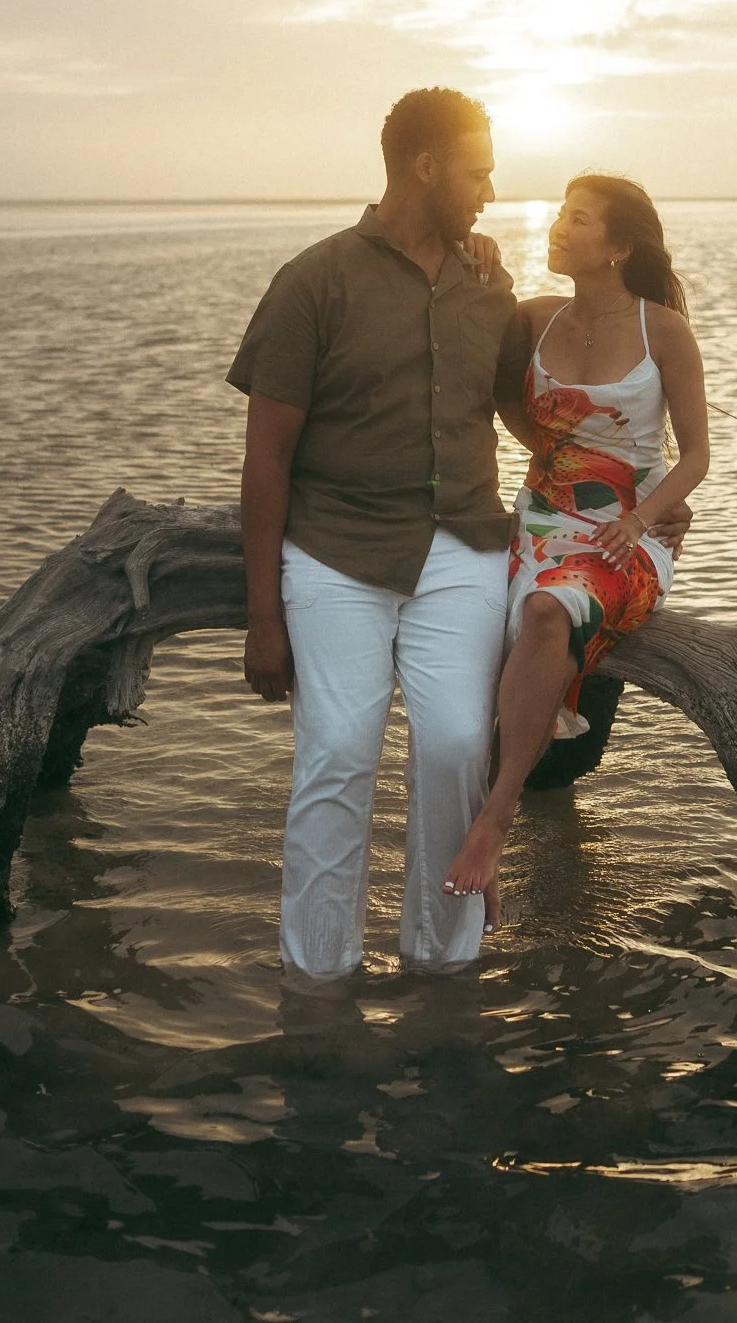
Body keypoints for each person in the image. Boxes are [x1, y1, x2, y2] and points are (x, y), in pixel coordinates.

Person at [227, 88, 523, 982]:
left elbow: (531, 409)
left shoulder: (487, 283)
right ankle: (318, 984)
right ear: (424, 167)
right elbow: (266, 458)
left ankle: (441, 970)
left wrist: (636, 492)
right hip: (334, 553)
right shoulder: (314, 280)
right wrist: (263, 615)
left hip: (463, 546)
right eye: (477, 172)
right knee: (336, 755)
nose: (490, 192)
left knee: (456, 747)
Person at [443, 175, 710, 908]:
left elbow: (694, 457)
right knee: (494, 624)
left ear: (619, 246)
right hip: (540, 515)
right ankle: (525, 780)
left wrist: (643, 513)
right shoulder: (531, 319)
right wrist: (477, 256)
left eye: (579, 219)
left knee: (544, 612)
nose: (560, 227)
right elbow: (498, 392)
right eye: (560, 215)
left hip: (630, 531)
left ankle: (494, 819)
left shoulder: (664, 331)